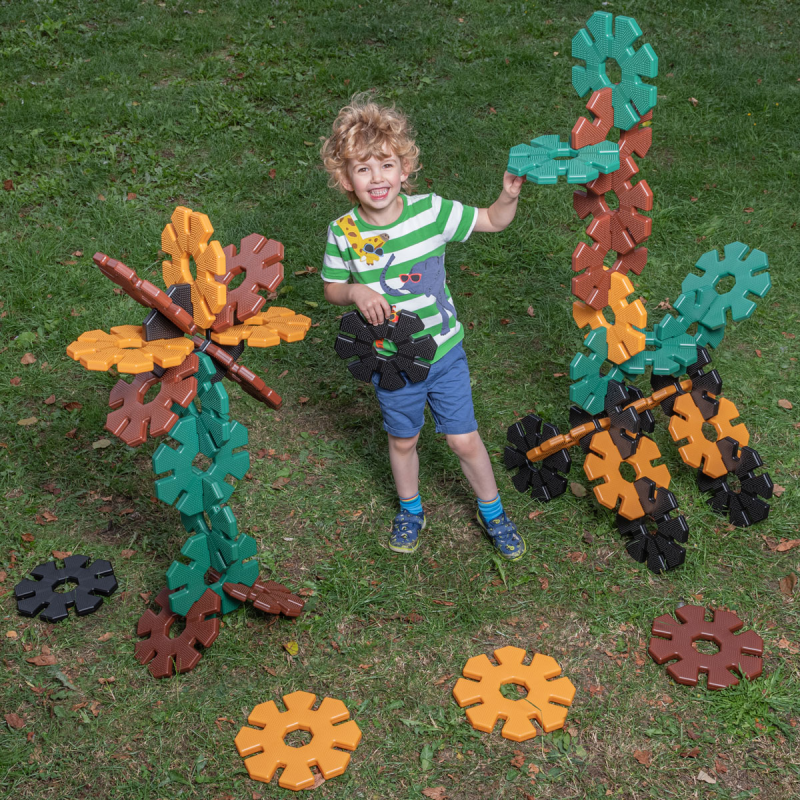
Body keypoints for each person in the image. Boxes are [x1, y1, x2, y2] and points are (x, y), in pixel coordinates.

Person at [320, 94, 526, 559]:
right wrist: (355, 291)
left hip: (445, 352)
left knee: (463, 438)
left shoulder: (430, 212)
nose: (378, 179)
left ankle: (492, 511)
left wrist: (507, 197)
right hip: (393, 360)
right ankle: (410, 510)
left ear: (404, 169)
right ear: (345, 177)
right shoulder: (344, 232)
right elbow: (333, 285)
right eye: (364, 169)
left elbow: (492, 220)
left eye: (386, 165)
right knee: (403, 438)